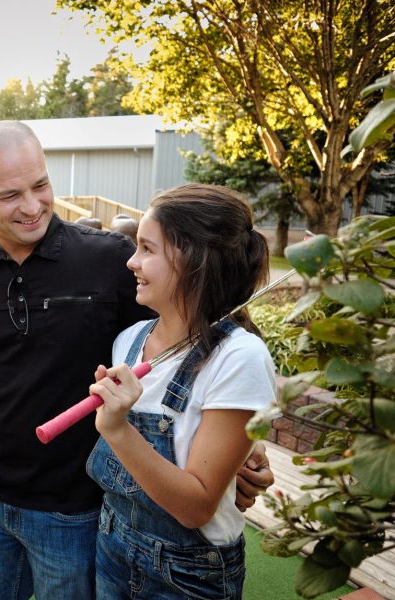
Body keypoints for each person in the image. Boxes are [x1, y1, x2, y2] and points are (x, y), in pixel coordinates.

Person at [0, 121, 274, 600]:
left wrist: (247, 448)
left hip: (79, 511)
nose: (33, 205)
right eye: (11, 195)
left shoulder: (112, 260)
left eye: (41, 185)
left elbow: (204, 328)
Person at [88, 184, 275, 598]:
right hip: (112, 542)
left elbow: (195, 507)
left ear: (195, 260)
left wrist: (118, 429)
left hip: (188, 573)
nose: (132, 262)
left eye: (147, 249)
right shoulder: (130, 341)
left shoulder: (239, 357)